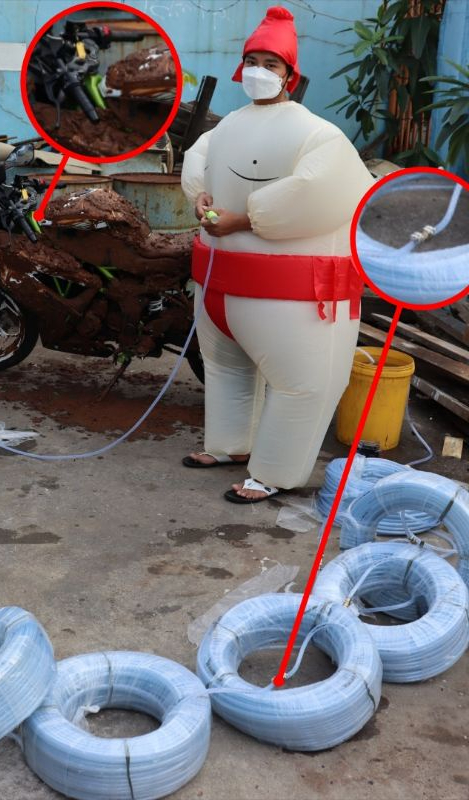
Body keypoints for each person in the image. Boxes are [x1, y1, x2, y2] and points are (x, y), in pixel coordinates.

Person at [180, 5, 374, 504]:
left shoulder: (318, 134)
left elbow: (323, 189)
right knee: (226, 370)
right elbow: (199, 157)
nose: (258, 72)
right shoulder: (229, 126)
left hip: (293, 297)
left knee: (301, 386)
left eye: (271, 64)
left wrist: (245, 219)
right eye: (252, 62)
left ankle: (274, 472)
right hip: (219, 287)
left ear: (290, 75)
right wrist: (199, 195)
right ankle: (228, 445)